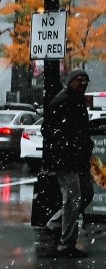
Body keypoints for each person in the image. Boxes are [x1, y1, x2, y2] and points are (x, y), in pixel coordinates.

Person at [42, 68, 94, 259]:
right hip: (67, 161)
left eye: (85, 80)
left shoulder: (77, 100)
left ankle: (55, 224)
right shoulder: (63, 101)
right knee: (73, 199)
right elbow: (48, 130)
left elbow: (79, 131)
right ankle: (67, 244)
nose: (82, 83)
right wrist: (63, 150)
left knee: (86, 194)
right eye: (79, 80)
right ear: (70, 81)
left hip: (77, 160)